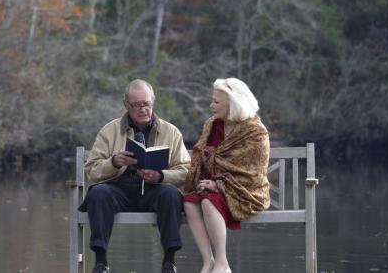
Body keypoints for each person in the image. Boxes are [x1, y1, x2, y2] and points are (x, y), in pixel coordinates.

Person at [79, 79, 191, 273]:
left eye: (146, 103)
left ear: (153, 102)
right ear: (126, 105)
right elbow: (92, 169)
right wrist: (114, 162)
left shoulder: (171, 132)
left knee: (171, 194)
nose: (142, 109)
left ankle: (169, 262)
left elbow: (186, 170)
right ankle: (101, 262)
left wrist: (160, 176)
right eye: (136, 105)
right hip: (119, 188)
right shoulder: (110, 130)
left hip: (154, 189)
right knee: (99, 193)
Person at [183, 78, 270, 273]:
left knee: (208, 201)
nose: (211, 105)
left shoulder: (255, 131)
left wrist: (219, 185)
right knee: (189, 201)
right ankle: (208, 261)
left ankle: (222, 263)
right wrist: (204, 180)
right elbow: (201, 156)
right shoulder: (212, 125)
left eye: (216, 101)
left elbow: (253, 173)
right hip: (212, 186)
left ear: (233, 103)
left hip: (246, 191)